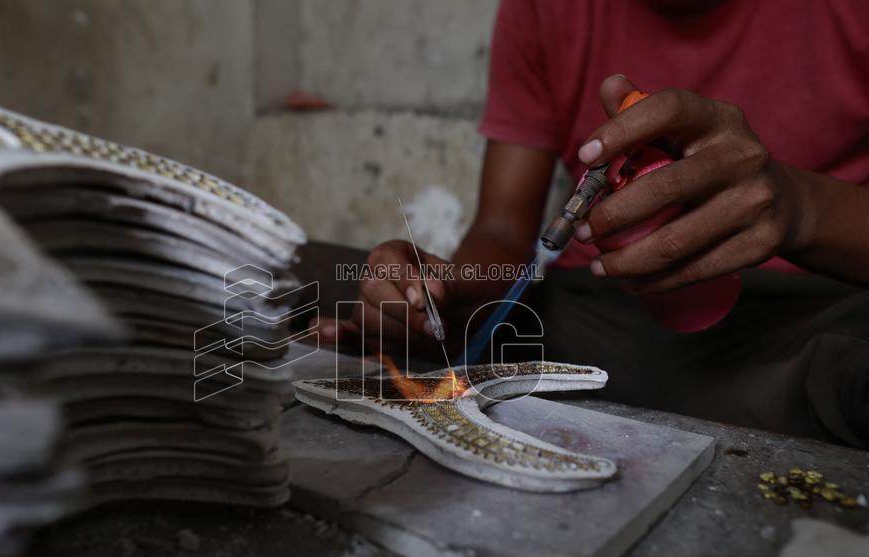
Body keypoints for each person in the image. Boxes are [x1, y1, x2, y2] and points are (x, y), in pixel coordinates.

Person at [315, 0, 869, 446]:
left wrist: (799, 207)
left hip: (808, 319)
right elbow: (506, 235)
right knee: (336, 292)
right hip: (599, 316)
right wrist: (446, 291)